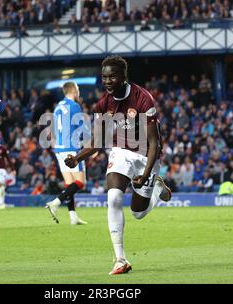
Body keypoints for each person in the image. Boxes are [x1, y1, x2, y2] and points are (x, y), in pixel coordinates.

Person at [64, 55, 172, 275]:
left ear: (124, 76)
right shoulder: (103, 104)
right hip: (120, 151)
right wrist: (77, 158)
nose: (108, 81)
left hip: (145, 155)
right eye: (104, 77)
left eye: (112, 76)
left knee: (138, 213)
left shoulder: (143, 98)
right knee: (113, 197)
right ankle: (120, 259)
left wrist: (146, 173)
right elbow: (97, 140)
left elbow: (155, 143)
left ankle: (156, 189)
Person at [45, 82, 88, 225]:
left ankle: (73, 216)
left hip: (59, 148)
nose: (79, 91)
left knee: (70, 184)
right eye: (78, 88)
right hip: (71, 147)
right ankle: (55, 203)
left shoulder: (58, 107)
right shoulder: (74, 106)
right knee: (80, 182)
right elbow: (82, 127)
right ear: (74, 90)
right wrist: (90, 146)